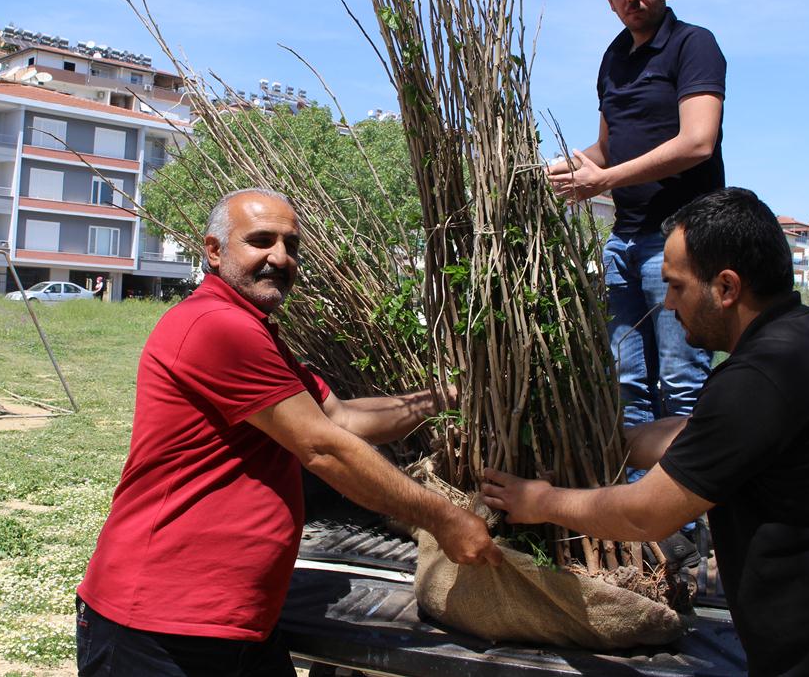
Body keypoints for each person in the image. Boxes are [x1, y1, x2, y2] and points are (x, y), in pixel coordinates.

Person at [482, 188, 809, 675]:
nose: (668, 306)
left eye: (676, 286)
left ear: (726, 287)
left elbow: (644, 515)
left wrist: (540, 501)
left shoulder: (758, 379)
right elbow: (701, 439)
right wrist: (608, 445)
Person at [77, 188, 501, 677]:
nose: (279, 257)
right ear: (213, 251)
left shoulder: (254, 331)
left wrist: (449, 398)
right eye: (260, 241)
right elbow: (323, 448)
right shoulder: (216, 327)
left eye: (291, 245)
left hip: (239, 623)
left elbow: (342, 418)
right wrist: (443, 518)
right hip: (161, 624)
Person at [548, 0, 726, 452]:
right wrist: (560, 169)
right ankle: (640, 514)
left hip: (679, 244)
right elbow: (606, 147)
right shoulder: (613, 59)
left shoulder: (694, 45)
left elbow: (697, 141)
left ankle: (689, 526)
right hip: (624, 245)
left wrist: (601, 182)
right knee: (626, 383)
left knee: (681, 385)